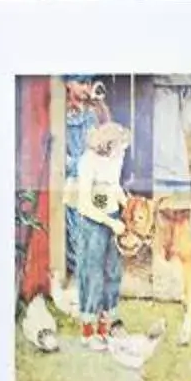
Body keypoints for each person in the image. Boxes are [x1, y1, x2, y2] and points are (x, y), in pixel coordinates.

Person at [63, 118, 130, 349]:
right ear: (108, 146)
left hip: (111, 218)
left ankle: (105, 326)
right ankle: (88, 332)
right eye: (120, 148)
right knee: (92, 275)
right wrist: (111, 224)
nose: (123, 153)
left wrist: (125, 202)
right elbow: (85, 205)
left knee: (112, 272)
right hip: (91, 224)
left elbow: (114, 186)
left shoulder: (115, 159)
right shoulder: (87, 163)